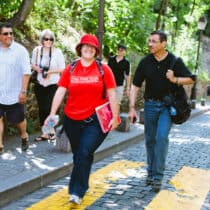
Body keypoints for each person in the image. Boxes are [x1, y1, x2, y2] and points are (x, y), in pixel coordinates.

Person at [45, 34, 119, 204]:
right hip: (72, 119)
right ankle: (83, 184)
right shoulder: (70, 68)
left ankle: (76, 191)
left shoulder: (104, 69)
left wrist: (115, 117)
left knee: (84, 152)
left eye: (92, 47)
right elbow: (61, 91)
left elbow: (112, 93)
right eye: (85, 46)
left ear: (96, 51)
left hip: (96, 120)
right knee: (80, 154)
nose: (88, 49)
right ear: (80, 48)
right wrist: (52, 113)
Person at [129, 30, 195, 192]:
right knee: (150, 140)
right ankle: (151, 173)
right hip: (150, 106)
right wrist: (131, 108)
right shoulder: (145, 62)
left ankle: (157, 177)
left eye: (154, 41)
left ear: (163, 43)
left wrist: (175, 79)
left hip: (167, 107)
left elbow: (191, 79)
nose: (150, 44)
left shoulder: (174, 61)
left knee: (161, 137)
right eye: (149, 41)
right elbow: (135, 85)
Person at [0, 22, 31, 154]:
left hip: (15, 93)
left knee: (19, 120)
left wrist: (23, 91)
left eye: (11, 33)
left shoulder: (20, 50)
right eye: (5, 33)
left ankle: (24, 135)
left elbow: (26, 72)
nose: (9, 36)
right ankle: (0, 145)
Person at [31, 29, 65, 141]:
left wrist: (50, 72)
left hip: (53, 84)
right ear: (42, 39)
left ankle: (51, 131)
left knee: (50, 108)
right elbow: (32, 64)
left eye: (51, 39)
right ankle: (45, 133)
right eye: (46, 39)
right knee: (42, 109)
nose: (48, 41)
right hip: (40, 84)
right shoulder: (37, 50)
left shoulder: (57, 52)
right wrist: (38, 69)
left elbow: (63, 69)